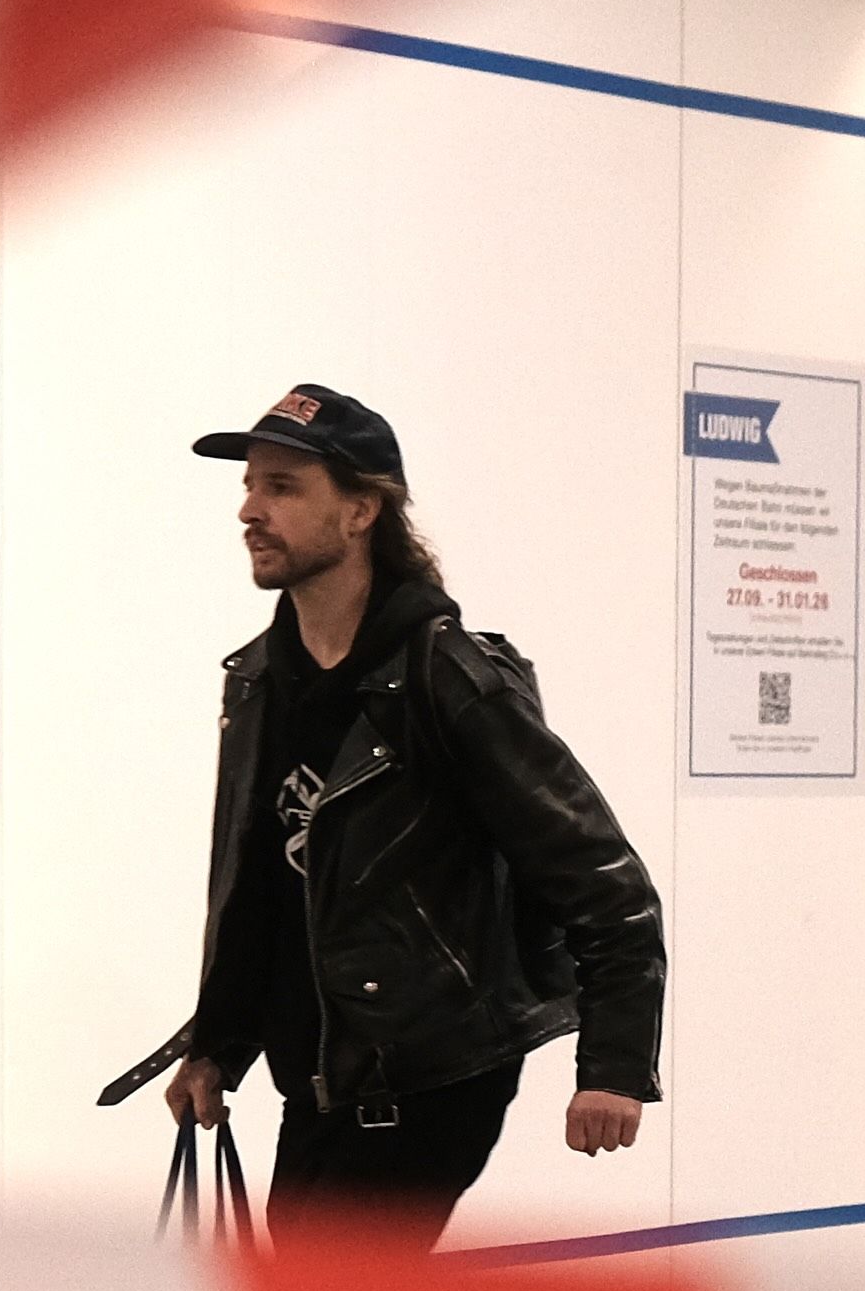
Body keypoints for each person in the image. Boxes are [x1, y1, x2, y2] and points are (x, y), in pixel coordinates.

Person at [158, 383, 665, 1244]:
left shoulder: (449, 680)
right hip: (320, 1073)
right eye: (250, 486)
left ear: (360, 511)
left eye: (283, 487)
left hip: (423, 1076)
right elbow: (263, 890)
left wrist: (613, 1065)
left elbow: (605, 881)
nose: (250, 508)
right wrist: (218, 1042)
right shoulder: (259, 683)